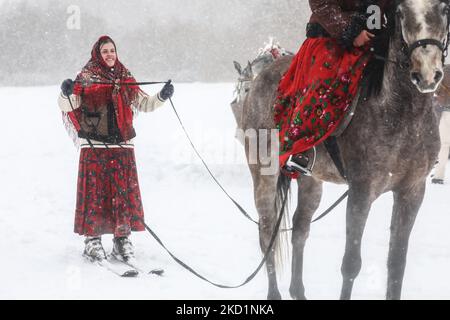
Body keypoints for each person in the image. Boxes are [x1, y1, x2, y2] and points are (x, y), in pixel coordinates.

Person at [58, 35, 174, 262]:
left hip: (122, 146)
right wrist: (65, 92)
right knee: (95, 196)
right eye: (105, 51)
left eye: (112, 50)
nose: (110, 54)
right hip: (94, 146)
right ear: (97, 54)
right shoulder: (86, 77)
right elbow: (69, 104)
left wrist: (162, 96)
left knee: (121, 197)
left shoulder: (125, 76)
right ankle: (92, 240)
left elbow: (144, 104)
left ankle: (122, 240)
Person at [274, 0, 390, 177]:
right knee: (325, 82)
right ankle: (301, 147)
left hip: (379, 39)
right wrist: (351, 32)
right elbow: (322, 4)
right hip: (333, 37)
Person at [432, 65, 450, 184]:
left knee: (444, 145)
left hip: (446, 112)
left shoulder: (444, 71)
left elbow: (435, 91)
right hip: (446, 112)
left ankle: (438, 176)